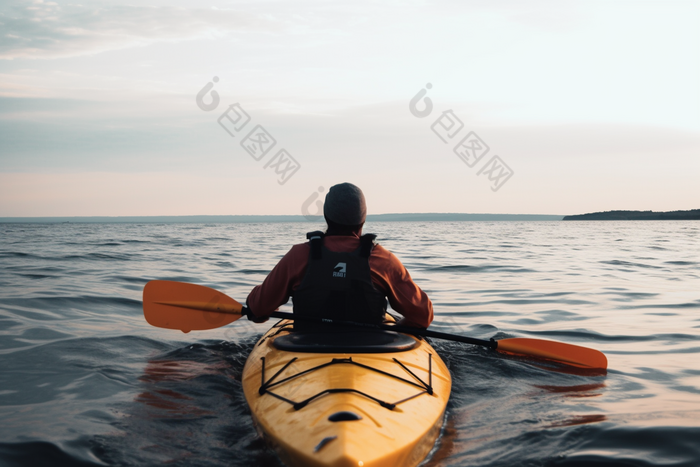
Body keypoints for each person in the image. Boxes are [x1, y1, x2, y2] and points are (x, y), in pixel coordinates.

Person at [244, 182, 433, 330]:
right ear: (363, 219)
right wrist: (397, 328)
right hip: (370, 350)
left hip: (306, 348)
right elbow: (422, 317)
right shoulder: (383, 260)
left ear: (326, 215)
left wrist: (269, 306)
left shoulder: (299, 255)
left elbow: (257, 309)